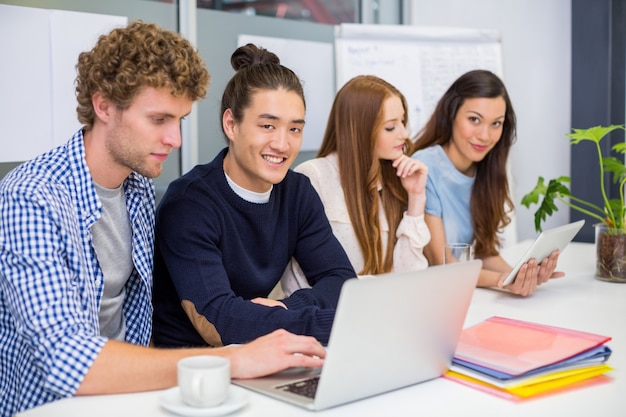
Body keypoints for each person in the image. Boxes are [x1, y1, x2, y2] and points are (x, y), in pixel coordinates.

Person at [0, 22, 326, 417]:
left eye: (180, 120)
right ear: (103, 106)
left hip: (135, 398)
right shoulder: (31, 197)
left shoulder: (136, 188)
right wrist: (232, 360)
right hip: (55, 407)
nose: (176, 139)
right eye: (159, 120)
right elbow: (67, 359)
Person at [151, 44, 356, 348]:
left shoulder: (297, 193)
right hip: (194, 368)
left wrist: (289, 308)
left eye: (295, 129)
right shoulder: (189, 203)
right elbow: (218, 321)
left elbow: (341, 279)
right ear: (231, 124)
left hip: (261, 353)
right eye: (267, 126)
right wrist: (333, 325)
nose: (282, 144)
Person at [411, 69, 563, 296]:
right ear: (452, 113)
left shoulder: (485, 169)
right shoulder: (425, 167)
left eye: (496, 124)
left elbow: (484, 252)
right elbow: (442, 264)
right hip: (422, 295)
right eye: (474, 120)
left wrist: (521, 275)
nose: (485, 135)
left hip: (451, 293)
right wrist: (504, 281)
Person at [279, 75, 429, 295]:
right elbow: (298, 284)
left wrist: (416, 198)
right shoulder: (313, 177)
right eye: (390, 127)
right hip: (329, 320)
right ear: (360, 130)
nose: (404, 135)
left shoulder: (394, 181)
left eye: (403, 122)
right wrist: (379, 289)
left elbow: (410, 275)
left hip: (383, 312)